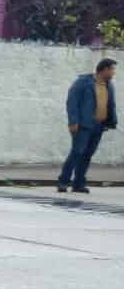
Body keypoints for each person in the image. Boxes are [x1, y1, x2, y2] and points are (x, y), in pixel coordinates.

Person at [59, 58, 118, 194]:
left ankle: (79, 184)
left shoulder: (109, 86)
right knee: (77, 152)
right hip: (83, 125)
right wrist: (73, 122)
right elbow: (72, 102)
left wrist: (111, 121)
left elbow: (110, 105)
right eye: (112, 69)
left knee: (87, 155)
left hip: (99, 126)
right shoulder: (83, 82)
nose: (114, 73)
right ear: (104, 69)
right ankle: (63, 181)